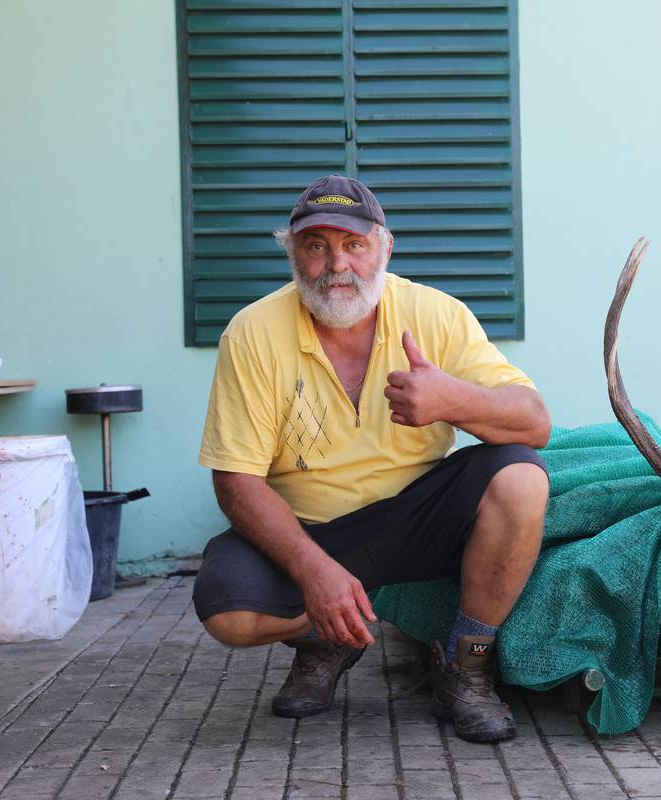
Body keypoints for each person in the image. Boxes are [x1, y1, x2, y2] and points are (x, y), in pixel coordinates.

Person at [192, 174, 551, 743]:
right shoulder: (252, 332)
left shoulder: (437, 315)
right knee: (227, 612)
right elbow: (236, 480)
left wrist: (451, 400)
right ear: (292, 253)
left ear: (385, 248)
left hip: (417, 520)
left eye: (354, 244)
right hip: (311, 528)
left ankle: (467, 667)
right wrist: (313, 570)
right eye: (316, 246)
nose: (337, 265)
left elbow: (534, 422)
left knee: (521, 476)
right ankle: (323, 640)